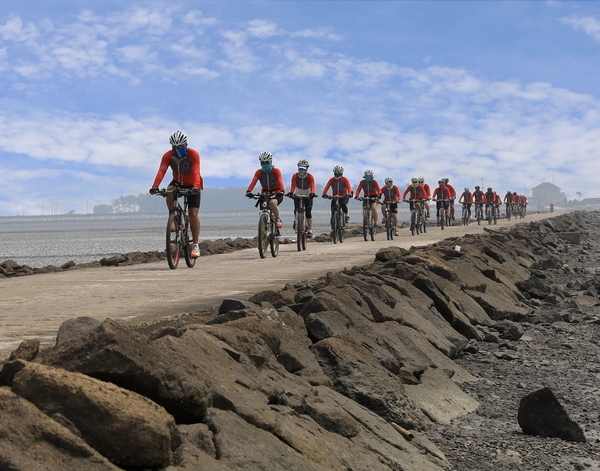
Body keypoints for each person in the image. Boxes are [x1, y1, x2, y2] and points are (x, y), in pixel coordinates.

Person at [150, 130, 203, 259]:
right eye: (175, 148)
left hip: (193, 184)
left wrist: (196, 187)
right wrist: (155, 186)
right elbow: (161, 171)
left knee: (193, 214)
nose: (178, 150)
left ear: (186, 145)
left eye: (181, 147)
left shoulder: (193, 154)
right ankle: (173, 217)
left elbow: (196, 171)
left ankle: (195, 245)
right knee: (169, 192)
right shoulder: (168, 156)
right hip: (177, 182)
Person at [246, 152, 285, 228]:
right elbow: (253, 182)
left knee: (272, 203)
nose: (264, 164)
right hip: (265, 193)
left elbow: (280, 181)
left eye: (266, 162)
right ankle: (263, 227)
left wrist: (282, 191)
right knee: (263, 206)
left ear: (270, 162)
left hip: (276, 192)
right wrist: (249, 191)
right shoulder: (259, 172)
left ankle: (278, 219)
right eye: (262, 163)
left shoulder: (276, 171)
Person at [288, 159, 317, 238]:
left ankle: (310, 230)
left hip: (307, 192)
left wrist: (312, 193)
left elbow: (312, 186)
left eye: (303, 169)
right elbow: (293, 185)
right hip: (298, 191)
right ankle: (296, 221)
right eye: (300, 168)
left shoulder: (310, 176)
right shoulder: (295, 176)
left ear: (307, 169)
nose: (301, 171)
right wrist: (291, 192)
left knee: (308, 212)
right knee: (296, 209)